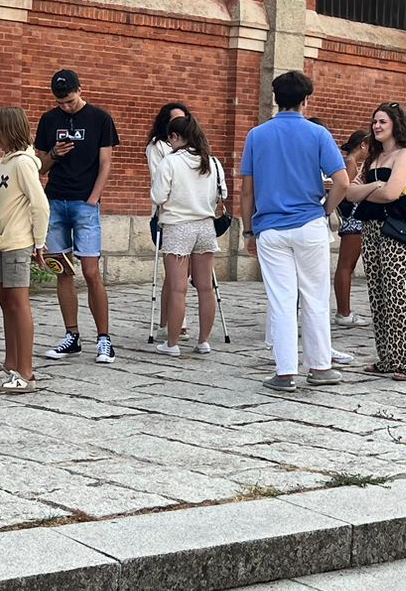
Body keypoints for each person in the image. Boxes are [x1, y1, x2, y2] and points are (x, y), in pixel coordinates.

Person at [237, 70, 351, 392]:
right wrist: (326, 210)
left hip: (270, 229)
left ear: (275, 99)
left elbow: (247, 191)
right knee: (315, 297)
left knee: (281, 300)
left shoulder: (256, 136)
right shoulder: (317, 134)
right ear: (305, 100)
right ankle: (320, 367)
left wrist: (248, 232)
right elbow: (341, 181)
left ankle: (285, 372)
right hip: (310, 224)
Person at [339, 103, 406, 379]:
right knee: (378, 295)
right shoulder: (374, 158)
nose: (377, 126)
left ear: (396, 124)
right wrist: (373, 188)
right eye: (375, 122)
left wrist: (369, 191)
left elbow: (392, 193)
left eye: (383, 122)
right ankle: (389, 356)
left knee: (397, 294)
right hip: (371, 227)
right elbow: (350, 192)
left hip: (398, 227)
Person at [37, 69, 119, 364]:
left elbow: (106, 162)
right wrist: (55, 154)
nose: (66, 107)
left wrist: (94, 197)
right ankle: (71, 335)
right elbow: (39, 168)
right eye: (60, 103)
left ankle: (104, 338)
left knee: (91, 272)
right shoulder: (49, 120)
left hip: (85, 202)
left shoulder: (100, 119)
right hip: (56, 200)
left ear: (80, 90)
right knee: (63, 271)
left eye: (70, 101)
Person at [149, 111, 226, 357]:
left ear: (175, 136)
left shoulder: (170, 162)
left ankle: (172, 343)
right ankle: (204, 341)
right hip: (205, 225)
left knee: (177, 289)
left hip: (178, 226)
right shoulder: (212, 161)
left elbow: (158, 196)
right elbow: (220, 194)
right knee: (206, 288)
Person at [0, 108, 49, 390]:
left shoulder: (23, 163)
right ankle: (11, 363)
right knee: (6, 302)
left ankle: (26, 372)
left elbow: (40, 204)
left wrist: (39, 242)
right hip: (4, 241)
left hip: (18, 242)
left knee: (19, 303)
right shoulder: (7, 161)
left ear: (7, 130)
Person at [333, 126, 369, 327]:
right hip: (355, 219)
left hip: (355, 220)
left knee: (347, 266)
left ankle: (344, 310)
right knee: (346, 266)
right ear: (363, 145)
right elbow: (346, 191)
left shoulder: (352, 162)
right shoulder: (351, 163)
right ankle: (343, 311)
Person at [145, 100, 190, 244]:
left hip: (193, 211)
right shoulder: (158, 146)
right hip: (171, 213)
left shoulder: (193, 148)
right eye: (176, 120)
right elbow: (158, 179)